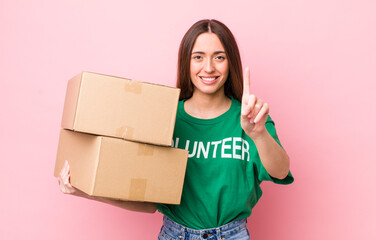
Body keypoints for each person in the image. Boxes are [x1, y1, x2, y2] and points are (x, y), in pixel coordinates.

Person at [59, 19, 293, 240]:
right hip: (174, 234)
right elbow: (148, 200)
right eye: (198, 57)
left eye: (219, 57)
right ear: (186, 62)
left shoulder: (251, 118)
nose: (208, 67)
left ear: (230, 61)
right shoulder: (164, 118)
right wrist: (85, 189)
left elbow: (281, 171)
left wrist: (258, 133)